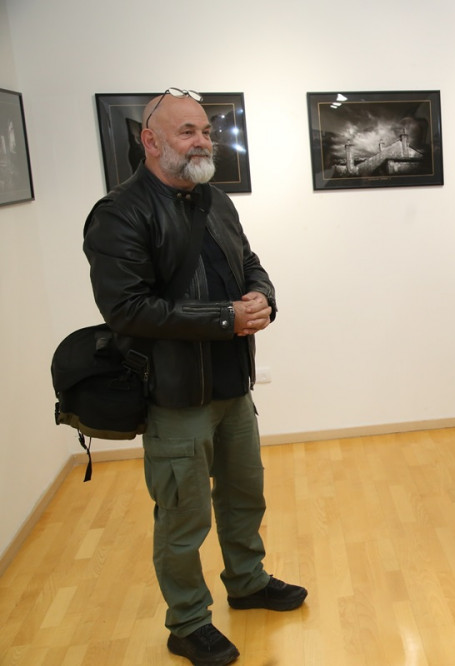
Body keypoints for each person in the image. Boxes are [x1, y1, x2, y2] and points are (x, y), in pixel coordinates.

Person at [83, 88, 307, 665]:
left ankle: (247, 582)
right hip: (174, 394)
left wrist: (262, 296)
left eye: (206, 131)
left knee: (244, 495)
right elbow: (127, 308)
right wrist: (225, 318)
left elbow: (249, 262)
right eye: (187, 132)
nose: (203, 141)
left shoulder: (216, 200)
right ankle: (187, 622)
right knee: (184, 518)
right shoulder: (119, 213)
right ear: (150, 140)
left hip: (233, 387)